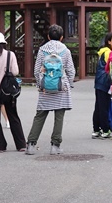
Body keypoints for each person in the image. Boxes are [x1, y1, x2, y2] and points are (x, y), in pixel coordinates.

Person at [26, 25, 75, 155]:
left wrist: (41, 85)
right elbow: (71, 70)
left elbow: (37, 71)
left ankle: (31, 145)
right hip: (61, 87)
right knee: (59, 117)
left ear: (48, 36)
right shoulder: (65, 51)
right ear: (62, 37)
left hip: (45, 89)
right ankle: (55, 146)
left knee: (40, 116)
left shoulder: (42, 51)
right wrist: (68, 84)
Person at [0, 32, 27, 152]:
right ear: (3, 43)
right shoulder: (10, 55)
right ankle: (21, 144)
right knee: (13, 116)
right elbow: (15, 71)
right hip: (7, 91)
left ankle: (0, 146)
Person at [92, 32, 112, 139]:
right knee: (104, 107)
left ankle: (96, 129)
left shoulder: (103, 51)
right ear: (109, 42)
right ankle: (105, 129)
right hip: (105, 82)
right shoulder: (108, 52)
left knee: (99, 106)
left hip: (99, 82)